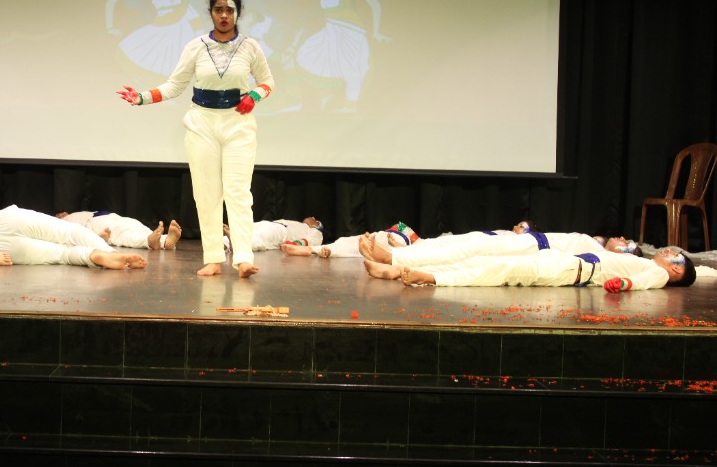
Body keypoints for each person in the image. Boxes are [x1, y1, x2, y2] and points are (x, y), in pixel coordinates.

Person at [118, 0, 275, 278]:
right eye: (218, 10)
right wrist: (141, 97)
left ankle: (243, 258)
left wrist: (254, 95)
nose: (224, 15)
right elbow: (174, 85)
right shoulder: (196, 47)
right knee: (206, 193)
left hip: (238, 124)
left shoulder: (250, 47)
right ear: (211, 13)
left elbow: (267, 82)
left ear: (238, 13)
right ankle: (213, 259)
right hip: (202, 123)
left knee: (238, 192)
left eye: (230, 10)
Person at [295, 0, 392, 112]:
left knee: (350, 67)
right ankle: (327, 96)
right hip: (331, 26)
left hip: (350, 28)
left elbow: (375, 4)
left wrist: (376, 31)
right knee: (309, 55)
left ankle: (350, 106)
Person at [364, 246, 696, 291]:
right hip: (564, 261)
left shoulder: (659, 272)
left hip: (571, 271)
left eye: (675, 256)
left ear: (677, 270)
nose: (669, 251)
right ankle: (401, 267)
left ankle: (430, 277)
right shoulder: (646, 261)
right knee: (484, 262)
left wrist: (624, 284)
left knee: (497, 271)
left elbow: (648, 279)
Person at [0, 204, 147, 270]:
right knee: (67, 231)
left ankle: (92, 255)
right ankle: (112, 252)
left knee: (63, 255)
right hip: (4, 219)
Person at [358, 222, 641, 270]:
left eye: (627, 243)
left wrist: (633, 252)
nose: (622, 238)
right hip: (528, 242)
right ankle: (398, 255)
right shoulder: (596, 244)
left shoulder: (605, 258)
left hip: (534, 251)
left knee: (466, 253)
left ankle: (394, 258)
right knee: (464, 244)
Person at [280, 221, 419, 258]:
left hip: (396, 245)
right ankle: (313, 250)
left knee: (356, 251)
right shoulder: (405, 229)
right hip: (384, 236)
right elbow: (399, 225)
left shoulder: (422, 244)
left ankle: (314, 250)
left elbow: (415, 251)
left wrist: (397, 244)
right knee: (345, 241)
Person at [56, 211, 182, 250]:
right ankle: (148, 241)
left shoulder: (73, 214)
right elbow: (74, 236)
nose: (61, 214)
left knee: (136, 225)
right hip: (94, 224)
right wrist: (97, 238)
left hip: (112, 216)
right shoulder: (61, 223)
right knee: (120, 234)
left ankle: (165, 241)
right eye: (57, 215)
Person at [225, 217, 324, 252]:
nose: (312, 217)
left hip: (282, 232)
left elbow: (311, 241)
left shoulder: (315, 231)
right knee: (244, 230)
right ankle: (224, 243)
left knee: (261, 237)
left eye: (315, 220)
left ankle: (238, 246)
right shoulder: (299, 224)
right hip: (269, 224)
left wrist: (294, 244)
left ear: (317, 225)